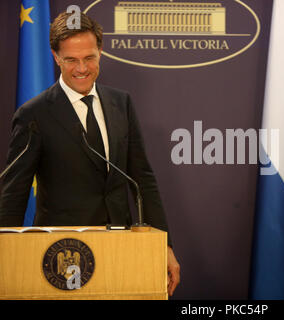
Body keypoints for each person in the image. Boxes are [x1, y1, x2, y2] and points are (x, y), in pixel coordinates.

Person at [0, 12, 180, 296]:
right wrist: (4, 259)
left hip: (122, 252)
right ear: (56, 57)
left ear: (101, 52)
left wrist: (164, 246)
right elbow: (13, 194)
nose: (81, 68)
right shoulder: (34, 114)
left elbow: (143, 179)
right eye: (71, 59)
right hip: (62, 259)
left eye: (89, 57)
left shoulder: (121, 102)